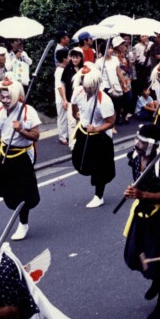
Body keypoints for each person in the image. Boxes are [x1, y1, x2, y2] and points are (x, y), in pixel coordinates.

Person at [122, 124, 160, 319]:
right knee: (135, 252)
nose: (137, 144)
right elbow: (137, 185)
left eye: (143, 142)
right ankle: (155, 279)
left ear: (153, 145)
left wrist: (142, 194)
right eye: (137, 139)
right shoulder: (135, 158)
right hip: (142, 212)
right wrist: (133, 192)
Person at [0, 79, 41, 241]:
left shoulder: (28, 111)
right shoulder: (0, 108)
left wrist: (20, 130)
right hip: (5, 152)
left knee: (23, 190)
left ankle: (23, 222)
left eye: (8, 98)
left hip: (22, 155)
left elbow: (36, 136)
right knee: (7, 188)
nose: (4, 101)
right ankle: (17, 212)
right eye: (2, 97)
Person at [70, 64, 116, 208]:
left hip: (101, 136)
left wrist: (96, 128)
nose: (87, 89)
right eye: (85, 85)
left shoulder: (104, 100)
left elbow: (111, 122)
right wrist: (77, 115)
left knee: (100, 168)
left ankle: (99, 195)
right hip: (84, 132)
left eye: (90, 87)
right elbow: (74, 108)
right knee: (78, 161)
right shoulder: (78, 92)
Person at [61, 47, 84, 149]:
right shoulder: (67, 69)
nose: (75, 60)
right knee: (72, 122)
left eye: (77, 57)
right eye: (73, 57)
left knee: (81, 121)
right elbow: (63, 84)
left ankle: (80, 142)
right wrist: (64, 99)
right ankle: (72, 144)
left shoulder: (84, 69)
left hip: (82, 100)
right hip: (71, 100)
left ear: (81, 58)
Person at [54, 49, 70, 145]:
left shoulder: (65, 68)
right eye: (68, 56)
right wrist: (64, 99)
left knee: (67, 118)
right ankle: (62, 137)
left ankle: (66, 135)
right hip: (61, 98)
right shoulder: (59, 70)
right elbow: (59, 86)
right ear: (64, 58)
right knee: (62, 118)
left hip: (65, 97)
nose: (70, 58)